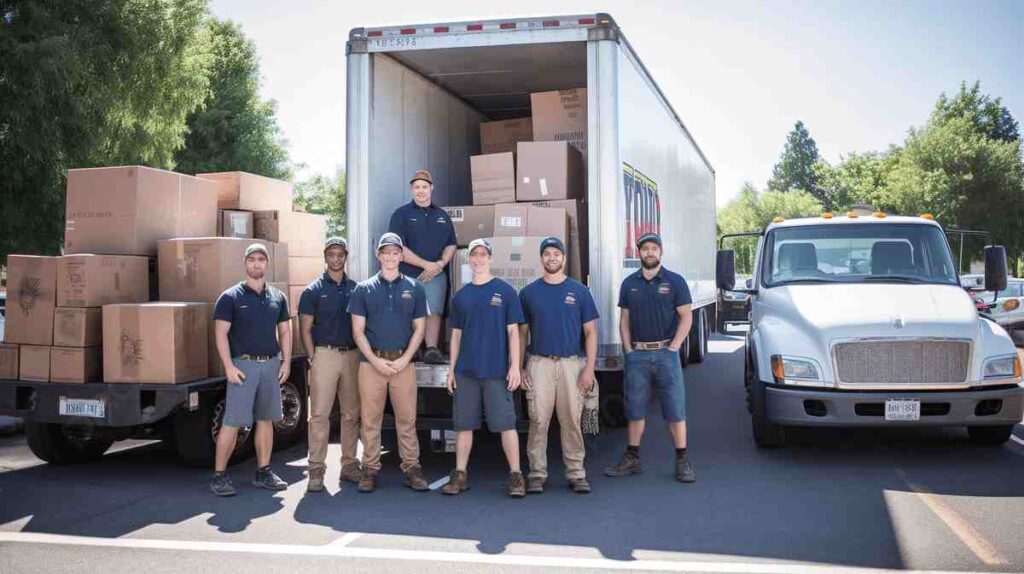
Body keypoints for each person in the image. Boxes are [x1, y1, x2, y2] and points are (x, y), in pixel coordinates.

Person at [605, 233, 696, 483]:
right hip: (638, 355)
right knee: (634, 409)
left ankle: (682, 460)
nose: (649, 252)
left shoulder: (675, 282)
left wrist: (674, 346)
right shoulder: (629, 284)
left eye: (654, 248)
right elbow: (623, 321)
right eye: (645, 248)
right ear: (639, 253)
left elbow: (686, 317)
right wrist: (628, 350)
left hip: (666, 354)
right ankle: (632, 458)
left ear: (661, 251)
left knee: (675, 409)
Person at [442, 239, 527, 498]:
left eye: (482, 254)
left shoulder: (506, 292)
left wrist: (515, 367)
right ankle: (460, 474)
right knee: (463, 425)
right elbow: (455, 336)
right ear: (469, 260)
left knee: (506, 425)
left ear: (490, 258)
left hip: (496, 372)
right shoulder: (461, 296)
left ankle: (515, 475)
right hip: (467, 372)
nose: (478, 259)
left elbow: (514, 333)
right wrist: (451, 370)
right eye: (474, 255)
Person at [347, 233, 430, 493]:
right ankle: (369, 469)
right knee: (370, 420)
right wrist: (374, 360)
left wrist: (406, 358)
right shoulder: (363, 289)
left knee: (407, 420)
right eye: (386, 252)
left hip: (404, 363)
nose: (391, 256)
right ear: (378, 255)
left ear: (401, 256)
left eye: (396, 252)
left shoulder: (415, 288)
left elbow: (420, 328)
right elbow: (357, 331)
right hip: (372, 365)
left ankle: (412, 467)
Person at [210, 243, 292, 496]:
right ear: (245, 263)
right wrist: (229, 367)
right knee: (232, 421)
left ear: (267, 264)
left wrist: (286, 361)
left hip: (270, 364)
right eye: (252, 259)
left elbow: (286, 330)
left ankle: (263, 472)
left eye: (261, 260)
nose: (256, 264)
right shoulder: (230, 297)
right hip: (242, 366)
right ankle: (219, 476)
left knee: (266, 420)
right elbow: (220, 333)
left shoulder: (278, 297)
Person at [519, 237, 599, 494]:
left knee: (571, 421)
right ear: (541, 258)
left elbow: (591, 333)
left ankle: (576, 473)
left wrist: (589, 369)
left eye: (556, 253)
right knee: (538, 421)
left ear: (564, 258)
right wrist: (520, 367)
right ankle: (536, 474)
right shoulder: (529, 293)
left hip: (571, 365)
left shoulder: (580, 292)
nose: (552, 258)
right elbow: (521, 334)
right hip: (539, 364)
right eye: (547, 254)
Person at [298, 237, 360, 493]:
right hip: (325, 355)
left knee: (351, 414)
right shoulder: (312, 290)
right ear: (325, 256)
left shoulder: (356, 289)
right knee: (320, 415)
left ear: (346, 256)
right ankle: (315, 469)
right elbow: (305, 327)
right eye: (331, 254)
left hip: (352, 356)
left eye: (340, 254)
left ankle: (348, 465)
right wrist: (314, 357)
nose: (336, 258)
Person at [388, 169, 457, 364]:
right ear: (411, 190)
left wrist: (440, 264)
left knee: (434, 310)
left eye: (424, 187)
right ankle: (411, 348)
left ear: (431, 188)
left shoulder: (442, 216)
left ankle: (431, 348)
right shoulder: (401, 215)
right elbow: (397, 247)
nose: (421, 191)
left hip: (436, 273)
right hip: (409, 274)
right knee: (409, 311)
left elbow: (451, 244)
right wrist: (426, 265)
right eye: (417, 187)